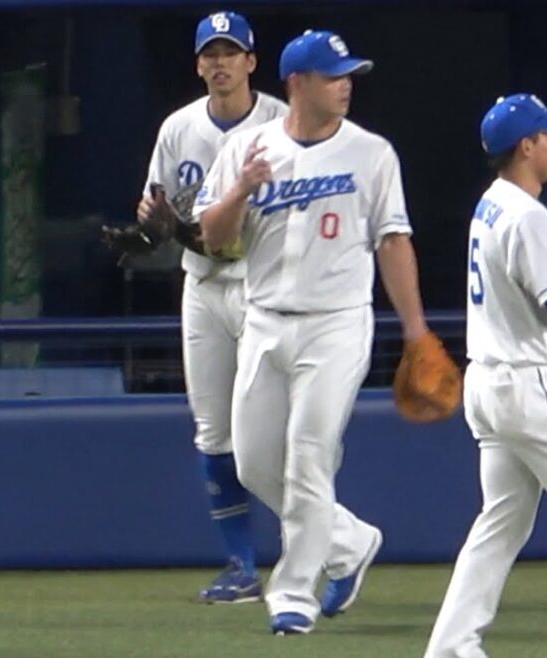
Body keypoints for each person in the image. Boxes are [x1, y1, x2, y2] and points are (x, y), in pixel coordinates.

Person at [196, 29, 434, 635]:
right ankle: (349, 541)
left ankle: (293, 596)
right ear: (297, 83)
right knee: (254, 463)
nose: (345, 85)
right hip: (263, 320)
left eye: (348, 75)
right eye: (333, 76)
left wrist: (415, 331)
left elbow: (393, 240)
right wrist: (242, 189)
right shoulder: (247, 149)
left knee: (308, 456)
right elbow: (212, 238)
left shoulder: (371, 153)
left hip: (336, 324)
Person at [137, 10, 286, 604]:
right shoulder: (179, 128)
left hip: (261, 285)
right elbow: (158, 211)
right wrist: (149, 227)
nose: (220, 63)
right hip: (201, 286)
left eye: (230, 53)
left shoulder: (280, 122)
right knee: (213, 432)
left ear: (251, 61)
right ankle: (242, 565)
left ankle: (317, 548)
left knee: (268, 433)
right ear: (199, 65)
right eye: (210, 54)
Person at [423, 94, 547, 658]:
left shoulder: (491, 203)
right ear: (525, 146)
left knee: (501, 522)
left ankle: (451, 646)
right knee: (500, 522)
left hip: (489, 382)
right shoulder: (528, 214)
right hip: (531, 382)